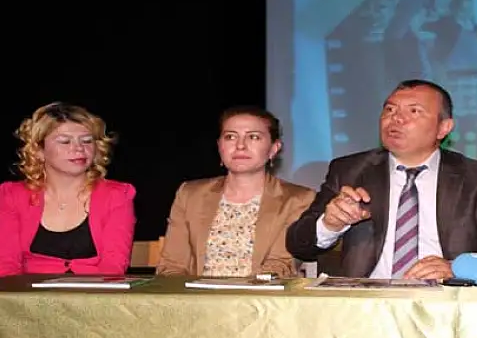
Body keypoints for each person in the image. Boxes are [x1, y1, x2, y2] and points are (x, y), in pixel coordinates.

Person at [286, 79, 477, 279]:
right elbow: (298, 245)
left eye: (414, 111)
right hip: (367, 302)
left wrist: (458, 269)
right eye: (390, 110)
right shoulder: (349, 170)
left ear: (443, 128)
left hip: (446, 301)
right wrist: (330, 224)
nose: (396, 118)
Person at [156, 106, 315, 278]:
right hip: (193, 294)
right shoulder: (189, 194)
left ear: (273, 148)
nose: (240, 145)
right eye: (230, 137)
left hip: (261, 294)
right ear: (219, 146)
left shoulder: (298, 199)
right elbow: (172, 266)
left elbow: (280, 265)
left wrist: (239, 293)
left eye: (253, 137)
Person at [0, 102, 136, 277]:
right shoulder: (11, 196)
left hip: (96, 292)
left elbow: (113, 268)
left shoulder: (117, 195)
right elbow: (6, 267)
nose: (79, 148)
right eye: (65, 141)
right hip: (27, 293)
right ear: (38, 150)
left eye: (87, 141)